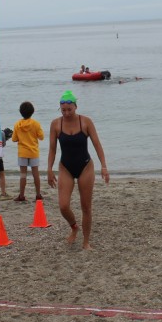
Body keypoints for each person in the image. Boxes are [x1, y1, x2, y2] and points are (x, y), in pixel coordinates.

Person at [47, 90, 109, 249]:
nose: (67, 113)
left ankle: (86, 242)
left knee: (86, 206)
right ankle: (74, 227)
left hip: (85, 167)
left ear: (75, 107)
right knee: (63, 206)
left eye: (69, 109)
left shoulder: (86, 122)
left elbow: (97, 144)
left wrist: (103, 166)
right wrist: (49, 169)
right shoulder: (56, 124)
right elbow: (52, 149)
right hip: (65, 167)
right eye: (63, 110)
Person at [12, 101, 45, 202]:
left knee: (23, 174)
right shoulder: (36, 124)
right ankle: (38, 194)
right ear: (32, 111)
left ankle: (21, 195)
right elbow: (41, 137)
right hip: (33, 152)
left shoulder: (17, 124)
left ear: (21, 112)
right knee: (36, 174)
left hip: (22, 152)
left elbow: (14, 139)